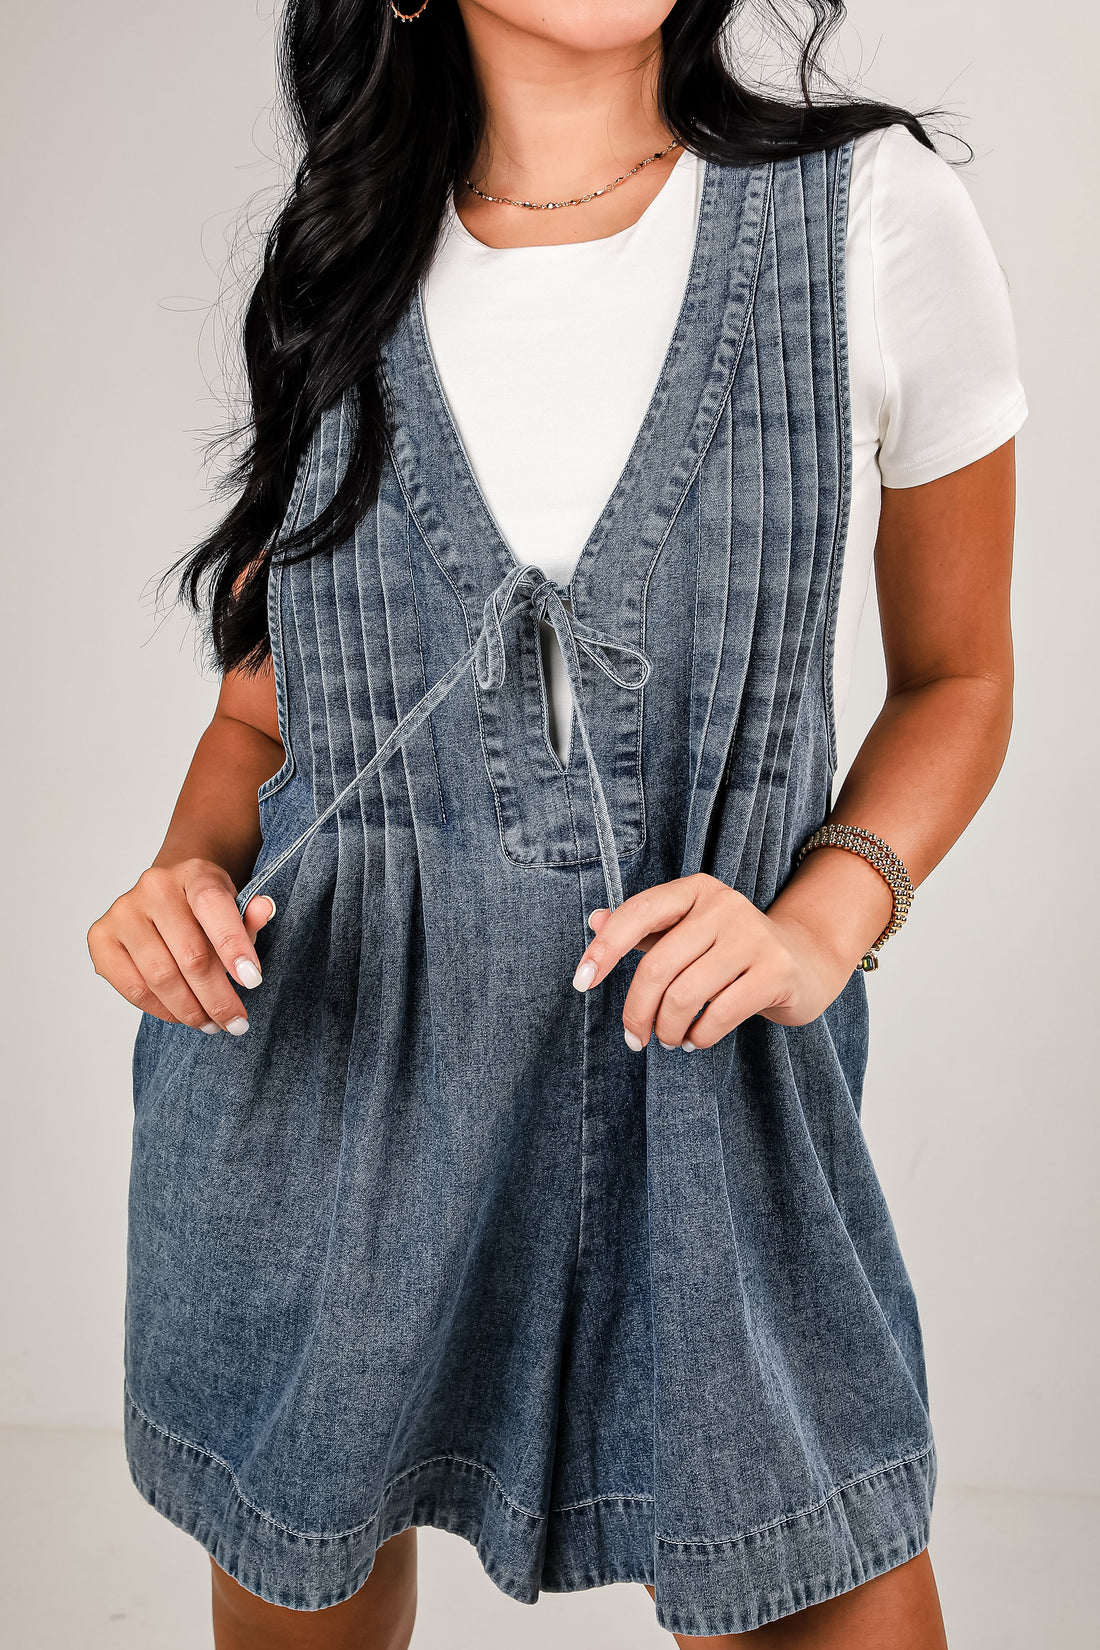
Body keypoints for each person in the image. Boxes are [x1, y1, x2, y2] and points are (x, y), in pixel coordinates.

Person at [86, 2, 1026, 1645]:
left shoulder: (873, 220)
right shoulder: (340, 264)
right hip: (329, 1087)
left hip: (713, 1101)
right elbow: (263, 708)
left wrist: (822, 919)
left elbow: (959, 676)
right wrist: (186, 873)